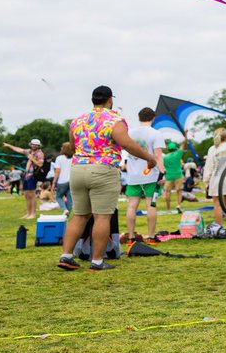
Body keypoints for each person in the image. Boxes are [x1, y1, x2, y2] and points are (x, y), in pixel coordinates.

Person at [58, 86, 160, 271]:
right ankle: (97, 261)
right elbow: (127, 144)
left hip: (78, 169)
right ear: (110, 100)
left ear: (92, 100)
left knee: (79, 215)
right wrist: (150, 158)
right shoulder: (114, 119)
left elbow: (73, 147)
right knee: (102, 217)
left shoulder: (77, 121)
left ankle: (66, 256)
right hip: (103, 170)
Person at [123, 108, 167, 240]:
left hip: (132, 175)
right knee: (151, 204)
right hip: (151, 174)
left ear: (139, 117)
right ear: (153, 118)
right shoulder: (156, 133)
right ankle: (152, 236)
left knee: (131, 205)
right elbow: (158, 156)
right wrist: (162, 172)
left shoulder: (129, 133)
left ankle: (131, 237)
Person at [204, 127, 226, 229]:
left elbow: (209, 167)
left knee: (217, 204)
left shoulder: (213, 148)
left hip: (216, 179)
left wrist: (206, 181)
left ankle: (219, 228)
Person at [3, 138, 45, 219]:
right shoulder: (29, 151)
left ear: (39, 146)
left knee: (32, 195)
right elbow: (19, 149)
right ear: (31, 144)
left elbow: (40, 164)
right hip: (26, 175)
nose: (34, 146)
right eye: (33, 144)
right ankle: (28, 213)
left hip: (33, 175)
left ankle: (33, 214)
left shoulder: (40, 154)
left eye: (36, 145)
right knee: (27, 195)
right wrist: (9, 146)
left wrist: (32, 158)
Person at [161, 141, 186, 212]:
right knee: (179, 191)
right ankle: (178, 205)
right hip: (178, 175)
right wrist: (186, 135)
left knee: (168, 192)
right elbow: (184, 144)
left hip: (169, 176)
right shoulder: (178, 153)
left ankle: (168, 209)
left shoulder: (165, 157)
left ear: (168, 149)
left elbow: (163, 166)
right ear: (175, 148)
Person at [51, 142, 74, 214]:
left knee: (58, 197)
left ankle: (64, 209)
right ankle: (66, 216)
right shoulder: (74, 158)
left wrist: (53, 182)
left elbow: (57, 171)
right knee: (70, 200)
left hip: (62, 181)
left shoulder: (59, 158)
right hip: (72, 180)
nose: (61, 148)